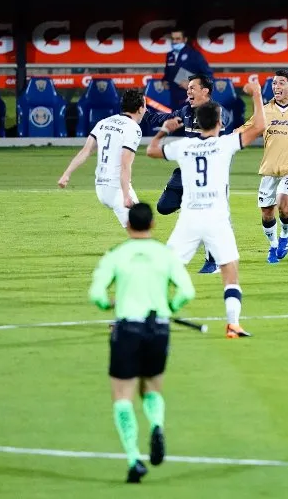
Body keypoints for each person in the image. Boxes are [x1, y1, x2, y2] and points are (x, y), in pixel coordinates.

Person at [146, 86, 266, 338]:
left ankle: (137, 314)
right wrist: (256, 94)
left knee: (166, 270)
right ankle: (233, 323)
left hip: (189, 218)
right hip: (216, 218)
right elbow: (259, 127)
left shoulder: (184, 146)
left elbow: (151, 151)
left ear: (197, 123)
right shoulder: (225, 144)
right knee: (229, 270)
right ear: (220, 122)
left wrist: (165, 130)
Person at [88, 202, 195, 483]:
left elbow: (96, 293)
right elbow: (187, 291)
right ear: (152, 225)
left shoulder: (117, 255)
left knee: (122, 396)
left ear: (128, 225)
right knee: (152, 389)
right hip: (158, 327)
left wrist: (108, 303)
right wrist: (169, 307)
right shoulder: (165, 255)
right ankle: (157, 425)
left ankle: (134, 459)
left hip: (127, 328)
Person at [237, 69, 288, 263]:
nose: (276, 86)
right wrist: (226, 136)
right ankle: (273, 244)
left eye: (281, 83)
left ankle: (285, 236)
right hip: (269, 170)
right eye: (274, 83)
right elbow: (247, 128)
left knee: (284, 205)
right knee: (267, 213)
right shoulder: (265, 111)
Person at [145, 74, 222, 274]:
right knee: (163, 207)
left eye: (192, 88)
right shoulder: (186, 111)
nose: (188, 91)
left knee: (205, 217)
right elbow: (165, 118)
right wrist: (143, 113)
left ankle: (212, 261)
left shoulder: (215, 113)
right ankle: (190, 207)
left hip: (206, 175)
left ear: (205, 91)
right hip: (185, 170)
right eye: (188, 88)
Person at [58, 90, 146, 227]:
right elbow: (125, 164)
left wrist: (66, 174)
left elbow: (85, 151)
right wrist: (126, 195)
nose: (146, 110)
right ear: (140, 108)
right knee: (142, 227)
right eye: (145, 106)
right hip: (116, 188)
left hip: (100, 187)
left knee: (138, 228)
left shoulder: (104, 122)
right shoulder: (133, 129)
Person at [164, 27, 212, 111]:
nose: (175, 41)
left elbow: (208, 74)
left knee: (189, 121)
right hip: (173, 97)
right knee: (176, 121)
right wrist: (164, 80)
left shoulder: (194, 55)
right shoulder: (170, 55)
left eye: (178, 39)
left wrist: (192, 84)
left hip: (190, 97)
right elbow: (168, 72)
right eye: (173, 39)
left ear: (185, 39)